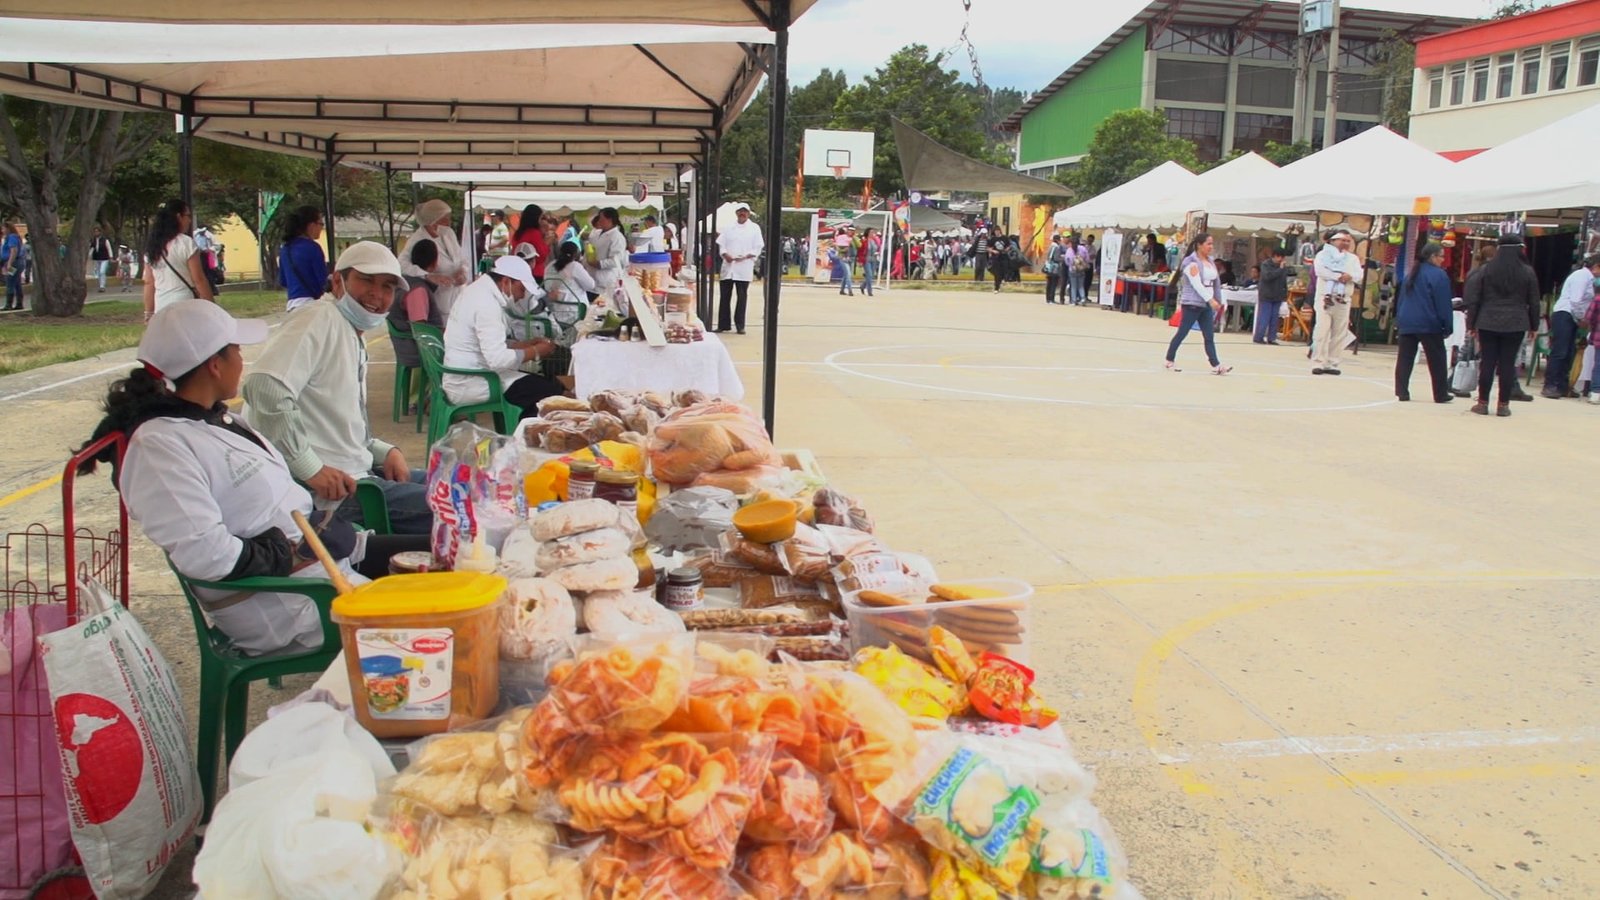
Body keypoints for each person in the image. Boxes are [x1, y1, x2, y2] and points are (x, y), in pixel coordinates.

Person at [77, 300, 428, 655]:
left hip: (326, 561)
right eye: (237, 351)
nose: (243, 361)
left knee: (452, 557)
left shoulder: (215, 420)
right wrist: (290, 553)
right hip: (290, 603)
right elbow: (207, 556)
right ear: (215, 365)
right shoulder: (158, 449)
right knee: (447, 621)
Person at [241, 242, 433, 534]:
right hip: (335, 496)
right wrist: (311, 469)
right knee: (461, 507)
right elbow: (265, 388)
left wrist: (385, 451)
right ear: (337, 282)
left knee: (458, 483)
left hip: (360, 473)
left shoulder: (351, 334)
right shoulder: (320, 317)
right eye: (366, 280)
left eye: (387, 287)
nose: (376, 294)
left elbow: (337, 423)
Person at [444, 255, 564, 418]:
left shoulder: (477, 291)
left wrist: (524, 345)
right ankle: (523, 438)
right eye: (521, 289)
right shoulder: (487, 304)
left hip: (468, 372)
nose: (522, 296)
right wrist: (535, 351)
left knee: (541, 385)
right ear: (506, 281)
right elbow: (497, 360)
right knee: (548, 395)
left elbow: (487, 343)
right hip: (474, 380)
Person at [1463, 234, 1542, 416]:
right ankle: (1503, 405)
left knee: (1487, 362)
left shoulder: (1486, 269)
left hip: (1487, 320)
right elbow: (1534, 301)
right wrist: (1534, 326)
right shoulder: (1527, 271)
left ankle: (1482, 403)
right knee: (1507, 363)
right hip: (1516, 322)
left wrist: (1471, 324)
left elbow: (1474, 298)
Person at [1393, 242, 1455, 404]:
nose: (1443, 260)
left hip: (1407, 321)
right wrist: (1447, 325)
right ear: (1433, 257)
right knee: (1437, 359)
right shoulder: (1439, 275)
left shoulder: (1410, 274)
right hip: (1428, 322)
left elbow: (1401, 300)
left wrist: (1400, 319)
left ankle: (1402, 391)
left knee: (1405, 358)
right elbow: (1443, 303)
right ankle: (1440, 393)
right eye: (1442, 256)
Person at [1165, 233, 1231, 375]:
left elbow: (1216, 284)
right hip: (1192, 303)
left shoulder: (1211, 261)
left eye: (1212, 244)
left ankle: (1216, 364)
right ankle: (1169, 359)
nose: (1211, 247)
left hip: (1207, 304)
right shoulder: (1190, 262)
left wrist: (1219, 299)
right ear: (1199, 245)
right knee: (1182, 332)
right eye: (1208, 244)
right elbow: (1197, 284)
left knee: (1209, 335)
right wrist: (1210, 300)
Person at [143, 198, 213, 321]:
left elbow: (149, 282)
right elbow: (199, 280)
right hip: (186, 304)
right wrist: (212, 307)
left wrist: (148, 313)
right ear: (178, 217)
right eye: (187, 216)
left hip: (161, 306)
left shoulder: (152, 247)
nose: (189, 220)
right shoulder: (186, 243)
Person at [400, 199, 470, 320]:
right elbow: (402, 264)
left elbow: (461, 258)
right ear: (433, 220)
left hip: (458, 294)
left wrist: (463, 270)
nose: (449, 222)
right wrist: (428, 275)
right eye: (445, 218)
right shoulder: (418, 239)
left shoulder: (448, 233)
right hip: (439, 297)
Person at [1543, 254, 1600, 398]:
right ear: (1596, 266)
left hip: (1573, 317)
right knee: (1560, 350)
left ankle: (1562, 385)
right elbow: (1576, 301)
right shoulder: (1582, 276)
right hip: (1566, 314)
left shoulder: (1590, 279)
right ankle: (1550, 385)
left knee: (1569, 352)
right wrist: (1583, 318)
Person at [387, 238, 445, 377]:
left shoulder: (407, 282)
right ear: (435, 262)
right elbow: (421, 330)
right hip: (419, 355)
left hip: (409, 350)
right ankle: (430, 396)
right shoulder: (417, 290)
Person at [1310, 229, 1361, 376]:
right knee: (1322, 330)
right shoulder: (1322, 256)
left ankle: (1332, 362)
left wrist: (1349, 276)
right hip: (1325, 298)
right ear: (1332, 241)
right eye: (1342, 240)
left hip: (1343, 299)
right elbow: (1320, 272)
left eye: (1347, 241)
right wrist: (1338, 276)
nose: (1345, 243)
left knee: (1339, 332)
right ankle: (1318, 361)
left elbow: (1358, 275)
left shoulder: (1353, 259)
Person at [716, 203, 764, 333]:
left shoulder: (754, 228)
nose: (742, 214)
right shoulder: (729, 227)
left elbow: (758, 246)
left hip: (744, 266)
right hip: (729, 266)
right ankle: (723, 324)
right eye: (740, 211)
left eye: (745, 212)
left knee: (742, 297)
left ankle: (740, 325)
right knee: (725, 297)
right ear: (736, 213)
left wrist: (748, 255)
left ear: (748, 214)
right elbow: (722, 244)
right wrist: (725, 254)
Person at [279, 205, 329, 311]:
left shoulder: (285, 249)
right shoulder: (312, 247)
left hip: (292, 306)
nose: (321, 228)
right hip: (311, 306)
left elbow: (283, 281)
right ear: (311, 225)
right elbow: (322, 280)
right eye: (321, 224)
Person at [587, 207, 630, 307]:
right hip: (590, 278)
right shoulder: (596, 233)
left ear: (609, 220)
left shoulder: (617, 237)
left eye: (602, 219)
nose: (599, 221)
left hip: (604, 281)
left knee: (600, 308)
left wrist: (599, 264)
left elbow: (616, 260)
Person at [1254, 247, 1290, 345]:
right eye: (1280, 257)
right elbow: (1267, 277)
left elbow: (1283, 281)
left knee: (1274, 318)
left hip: (1277, 295)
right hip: (1266, 295)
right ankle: (1259, 337)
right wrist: (1280, 270)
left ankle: (1272, 338)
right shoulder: (1266, 264)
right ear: (1275, 256)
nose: (1281, 260)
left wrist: (1284, 294)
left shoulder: (1283, 267)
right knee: (1264, 317)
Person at [512, 204, 551, 281]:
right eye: (541, 218)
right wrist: (547, 243)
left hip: (518, 271)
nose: (541, 221)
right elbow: (541, 257)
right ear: (535, 218)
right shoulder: (534, 233)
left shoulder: (517, 233)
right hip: (534, 272)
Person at [1066, 233, 1091, 306]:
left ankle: (1073, 301)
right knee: (1081, 286)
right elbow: (1087, 259)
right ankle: (1083, 299)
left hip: (1072, 270)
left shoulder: (1069, 250)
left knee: (1073, 286)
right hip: (1081, 270)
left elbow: (1067, 261)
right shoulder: (1083, 249)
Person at [1, 222, 21, 310]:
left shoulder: (12, 237)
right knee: (17, 283)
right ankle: (19, 303)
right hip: (15, 262)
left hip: (12, 263)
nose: (2, 230)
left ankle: (9, 304)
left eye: (3, 228)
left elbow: (14, 251)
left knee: (10, 282)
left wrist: (9, 263)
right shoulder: (12, 237)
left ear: (8, 228)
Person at [89, 225, 114, 293]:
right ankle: (100, 285)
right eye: (95, 232)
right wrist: (89, 256)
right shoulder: (93, 240)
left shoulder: (105, 240)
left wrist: (111, 257)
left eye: (97, 231)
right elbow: (92, 248)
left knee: (102, 271)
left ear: (100, 232)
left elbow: (109, 249)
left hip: (104, 258)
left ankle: (102, 286)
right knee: (98, 273)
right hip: (97, 258)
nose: (96, 233)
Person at [859, 227, 881, 297]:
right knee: (870, 275)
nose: (872, 234)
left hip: (874, 259)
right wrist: (860, 260)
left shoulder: (875, 240)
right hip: (866, 259)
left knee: (870, 276)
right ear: (867, 233)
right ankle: (870, 291)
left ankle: (862, 286)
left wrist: (878, 252)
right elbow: (861, 251)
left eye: (873, 232)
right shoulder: (864, 240)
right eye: (871, 232)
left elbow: (878, 248)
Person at [1043, 234, 1065, 305]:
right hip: (1054, 268)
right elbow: (1056, 258)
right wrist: (1063, 258)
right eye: (1060, 240)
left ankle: (1048, 299)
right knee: (1053, 283)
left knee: (1049, 283)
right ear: (1057, 240)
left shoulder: (1051, 246)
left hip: (1049, 267)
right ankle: (1051, 299)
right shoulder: (1056, 247)